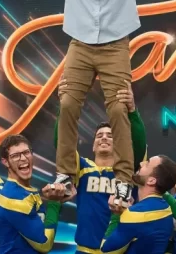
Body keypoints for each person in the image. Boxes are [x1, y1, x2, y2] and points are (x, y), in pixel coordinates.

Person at [0, 0, 167, 207]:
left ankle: (123, 178)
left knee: (119, 109)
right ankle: (65, 174)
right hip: (79, 43)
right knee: (66, 104)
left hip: (116, 44)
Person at [56, 78, 147, 253]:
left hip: (120, 249)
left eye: (110, 135)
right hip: (85, 250)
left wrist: (133, 111)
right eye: (99, 135)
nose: (104, 137)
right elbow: (62, 141)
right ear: (93, 145)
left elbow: (139, 143)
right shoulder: (81, 166)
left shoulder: (128, 169)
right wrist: (64, 108)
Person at [0, 134, 65, 254]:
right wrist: (54, 203)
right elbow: (44, 244)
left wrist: (59, 200)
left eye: (26, 152)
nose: (23, 158)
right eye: (15, 156)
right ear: (5, 162)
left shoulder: (25, 190)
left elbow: (41, 224)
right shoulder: (16, 199)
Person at [100, 155, 176, 254]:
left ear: (151, 180)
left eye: (147, 163)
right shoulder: (167, 208)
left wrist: (116, 216)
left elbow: (106, 250)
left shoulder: (134, 215)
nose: (141, 164)